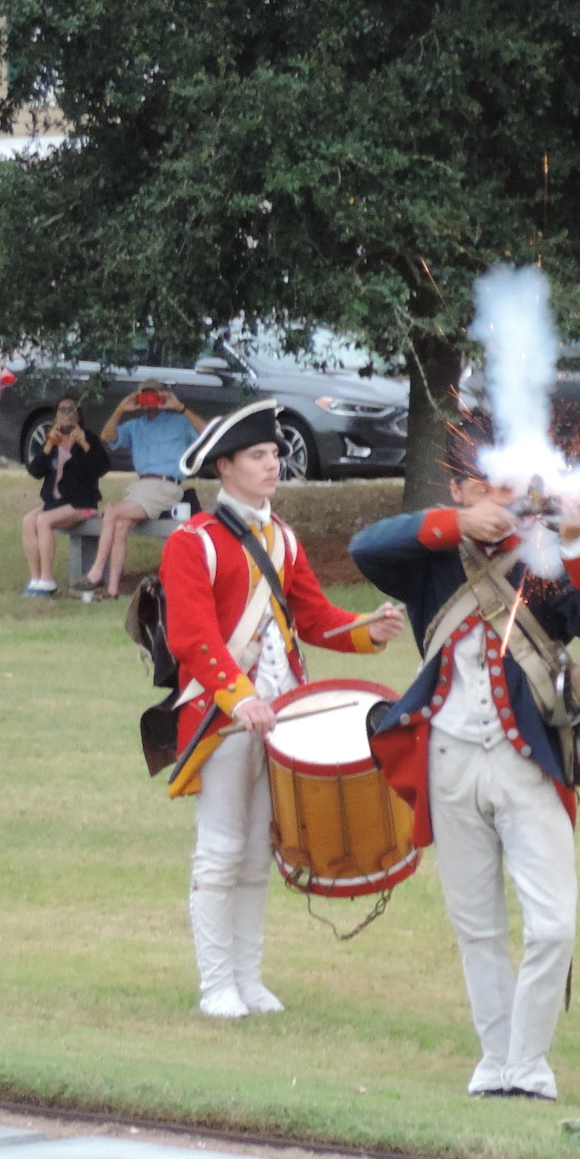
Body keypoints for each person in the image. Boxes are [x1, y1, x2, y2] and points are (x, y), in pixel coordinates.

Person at [352, 436, 580, 1101]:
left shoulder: (544, 557)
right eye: (494, 489)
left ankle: (527, 1062)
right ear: (464, 492)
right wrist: (456, 528)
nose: (510, 501)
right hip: (448, 754)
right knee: (477, 927)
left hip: (527, 760)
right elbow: (367, 548)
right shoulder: (433, 556)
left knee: (552, 925)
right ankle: (496, 1060)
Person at [159, 400, 406, 1017]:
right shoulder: (195, 543)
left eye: (274, 454)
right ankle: (216, 984)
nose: (274, 464)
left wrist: (365, 630)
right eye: (259, 456)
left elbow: (315, 616)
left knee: (255, 856)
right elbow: (191, 638)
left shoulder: (283, 538)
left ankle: (248, 978)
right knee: (219, 853)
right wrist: (240, 699)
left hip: (284, 718)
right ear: (226, 466)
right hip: (224, 717)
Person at [87, 380, 200, 599]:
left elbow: (208, 434)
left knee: (112, 512)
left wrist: (181, 407)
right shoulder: (135, 425)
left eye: (154, 395)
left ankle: (96, 572)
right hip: (141, 486)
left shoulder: (179, 421)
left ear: (164, 396)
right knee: (120, 526)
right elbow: (107, 437)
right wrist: (121, 409)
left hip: (166, 485)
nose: (150, 400)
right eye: (145, 395)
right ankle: (112, 590)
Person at [20, 398, 108, 597]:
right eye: (62, 409)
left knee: (43, 521)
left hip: (81, 503)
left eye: (71, 409)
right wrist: (49, 445)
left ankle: (47, 580)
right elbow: (35, 471)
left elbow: (101, 468)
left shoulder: (89, 438)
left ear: (78, 415)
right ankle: (35, 580)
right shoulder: (53, 438)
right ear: (56, 414)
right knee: (28, 521)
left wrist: (84, 443)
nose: (66, 413)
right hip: (54, 503)